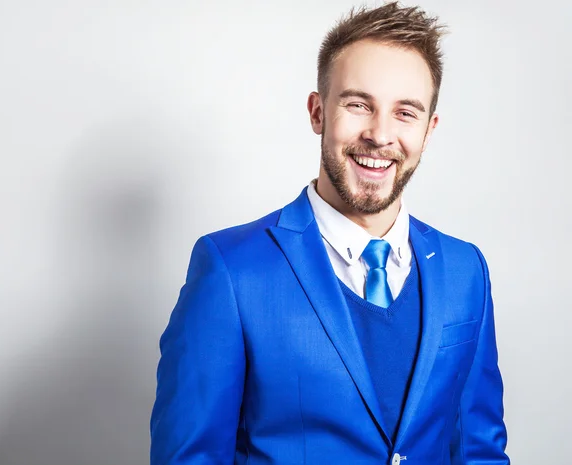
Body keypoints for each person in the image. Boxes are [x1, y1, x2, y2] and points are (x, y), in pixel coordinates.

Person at [150, 3, 509, 464]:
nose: (380, 135)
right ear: (318, 112)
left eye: (406, 113)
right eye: (358, 105)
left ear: (429, 130)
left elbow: (480, 451)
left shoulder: (466, 271)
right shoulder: (231, 271)